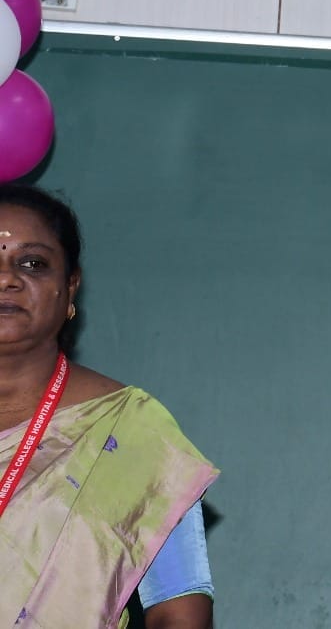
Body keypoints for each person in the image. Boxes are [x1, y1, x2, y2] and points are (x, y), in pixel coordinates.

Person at [0, 183, 218, 628]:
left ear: (70, 287)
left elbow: (178, 613)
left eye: (33, 263)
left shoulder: (130, 430)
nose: (7, 279)